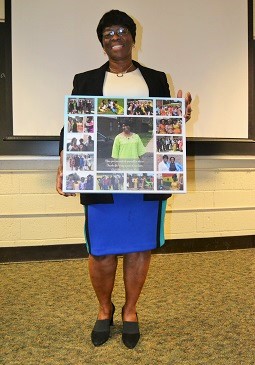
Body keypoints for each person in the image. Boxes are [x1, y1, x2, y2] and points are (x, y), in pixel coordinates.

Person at [56, 9, 192, 349]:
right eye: (107, 33)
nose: (115, 36)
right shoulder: (85, 79)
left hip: (145, 184)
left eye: (121, 30)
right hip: (102, 182)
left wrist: (179, 117)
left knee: (139, 247)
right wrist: (63, 164)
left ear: (133, 37)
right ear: (102, 42)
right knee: (101, 251)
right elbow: (72, 125)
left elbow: (163, 130)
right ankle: (105, 310)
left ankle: (130, 311)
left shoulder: (156, 78)